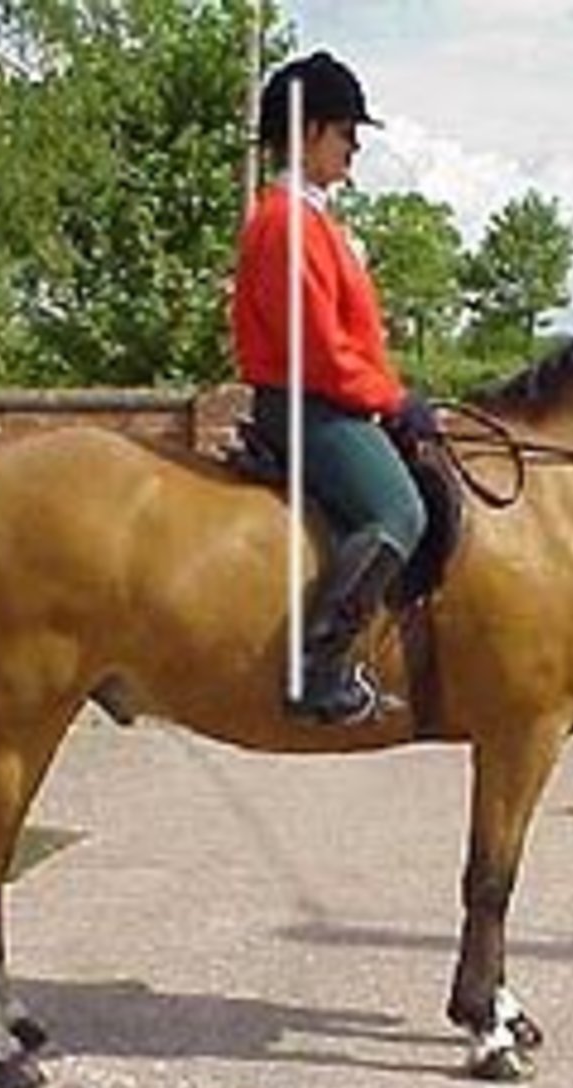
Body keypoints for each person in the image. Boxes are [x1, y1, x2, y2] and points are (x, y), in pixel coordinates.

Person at [231, 50, 436, 725]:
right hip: (309, 406)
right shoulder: (287, 222)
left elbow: (353, 342)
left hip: (330, 398)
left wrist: (393, 395)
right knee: (399, 513)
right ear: (310, 130)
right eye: (347, 132)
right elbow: (320, 351)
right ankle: (317, 668)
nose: (354, 147)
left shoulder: (313, 220)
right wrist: (391, 401)